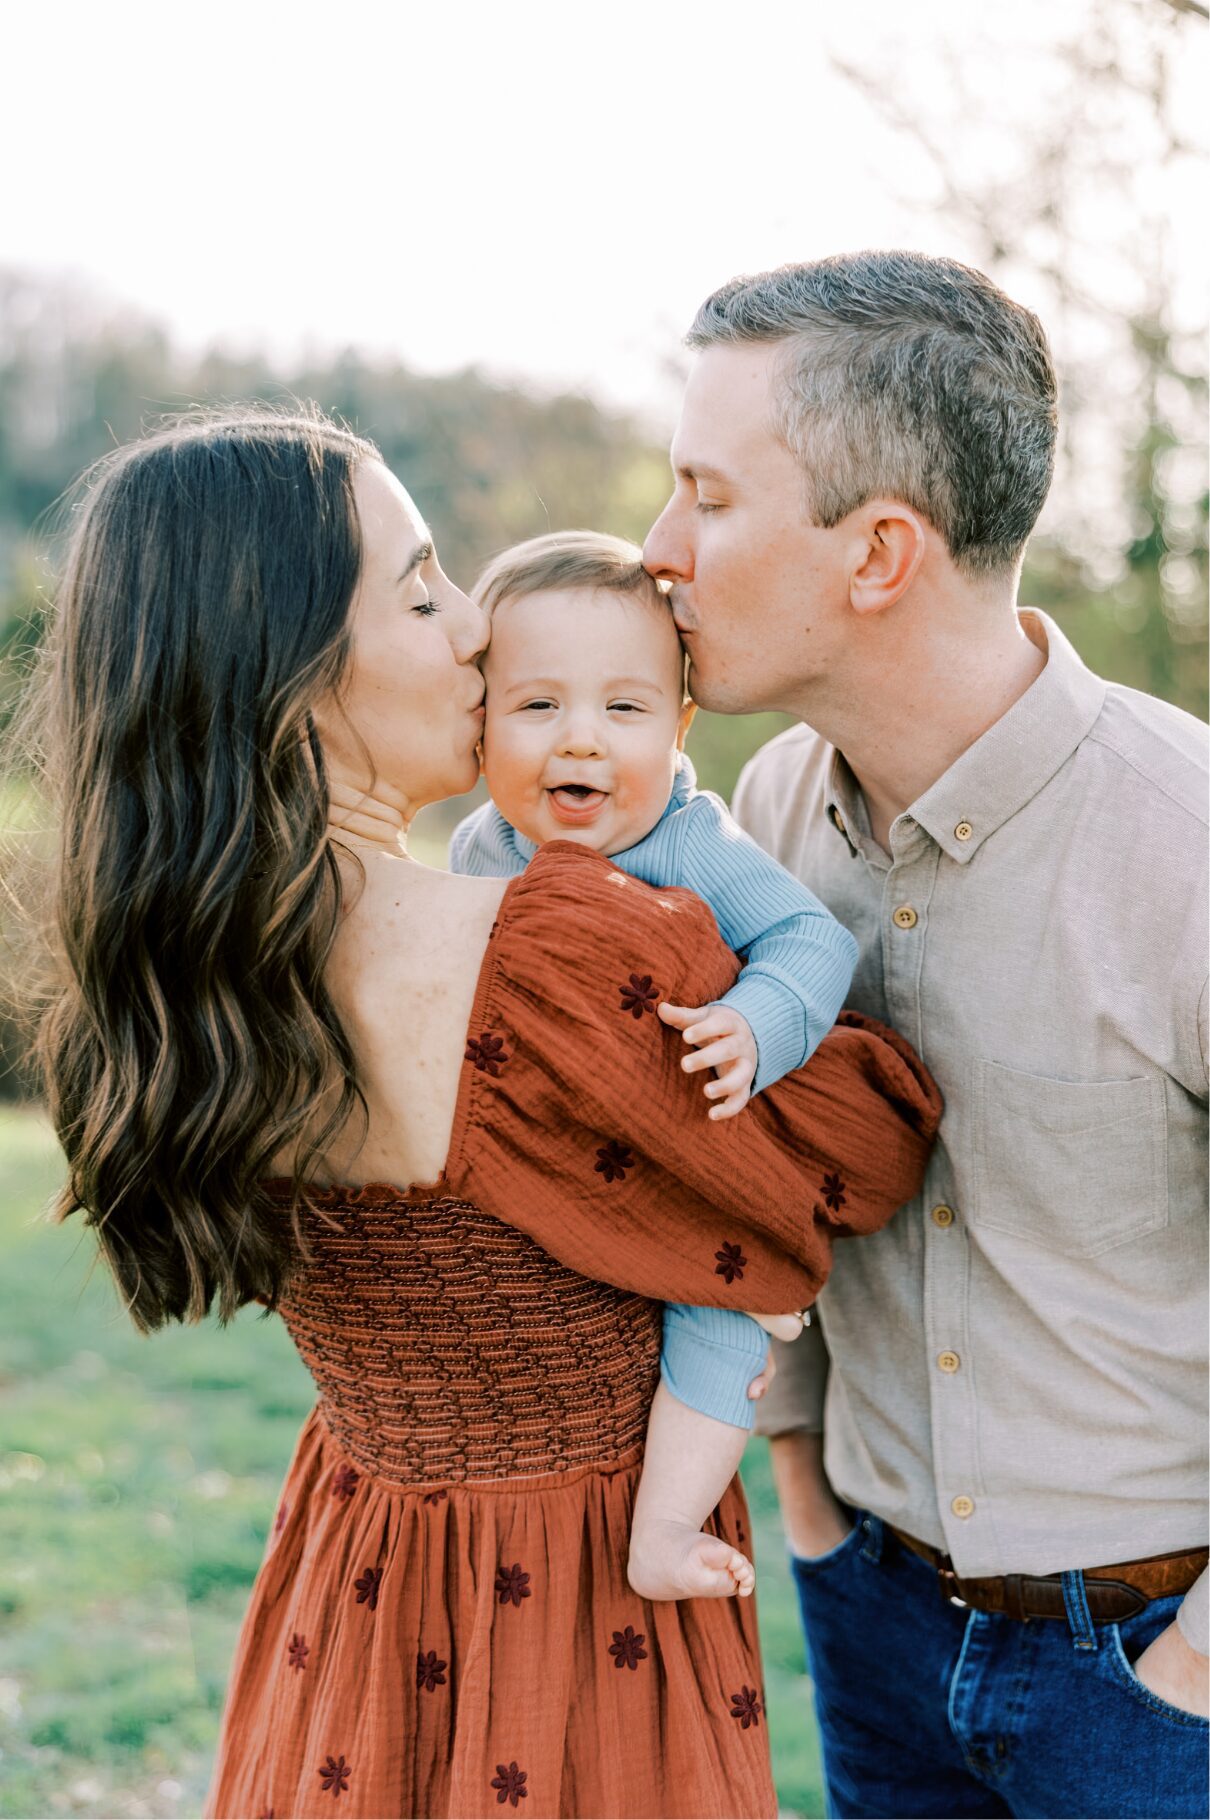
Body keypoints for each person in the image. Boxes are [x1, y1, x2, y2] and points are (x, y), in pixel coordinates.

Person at [19, 406, 942, 1819]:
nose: (473, 632)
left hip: (356, 1582)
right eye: (425, 588)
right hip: (583, 1626)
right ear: (294, 668)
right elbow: (860, 1150)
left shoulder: (175, 997)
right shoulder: (553, 950)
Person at [643, 250, 1210, 1820]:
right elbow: (772, 1190)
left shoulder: (1192, 851)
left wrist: (1188, 1682)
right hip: (877, 1624)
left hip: (1160, 1688)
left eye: (707, 494)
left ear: (876, 550)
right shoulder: (761, 819)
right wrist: (809, 1499)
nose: (658, 551)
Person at [449, 528, 859, 1604]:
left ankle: (666, 1530)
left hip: (690, 1153)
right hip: (563, 1154)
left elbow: (814, 942)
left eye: (623, 710)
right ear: (479, 719)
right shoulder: (478, 853)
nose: (579, 741)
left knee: (712, 1307)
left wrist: (756, 1024)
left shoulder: (688, 842)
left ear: (678, 728)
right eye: (537, 706)